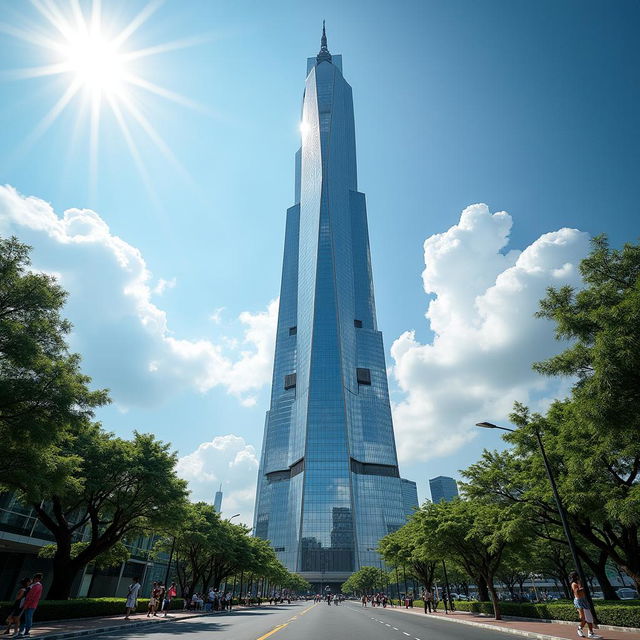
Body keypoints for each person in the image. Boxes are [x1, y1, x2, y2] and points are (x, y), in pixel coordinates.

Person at [569, 572, 600, 639]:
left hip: (583, 601)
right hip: (580, 601)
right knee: (586, 618)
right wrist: (580, 586)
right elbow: (577, 593)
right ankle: (589, 633)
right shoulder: (574, 584)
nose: (579, 577)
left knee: (587, 618)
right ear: (576, 577)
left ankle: (584, 630)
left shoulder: (577, 583)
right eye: (577, 576)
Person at [17, 573, 42, 638]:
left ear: (38, 579)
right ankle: (23, 631)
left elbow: (31, 596)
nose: (34, 579)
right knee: (25, 618)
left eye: (36, 578)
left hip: (31, 605)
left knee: (28, 618)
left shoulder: (37, 586)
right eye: (34, 578)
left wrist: (26, 605)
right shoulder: (34, 585)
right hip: (29, 604)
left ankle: (26, 631)